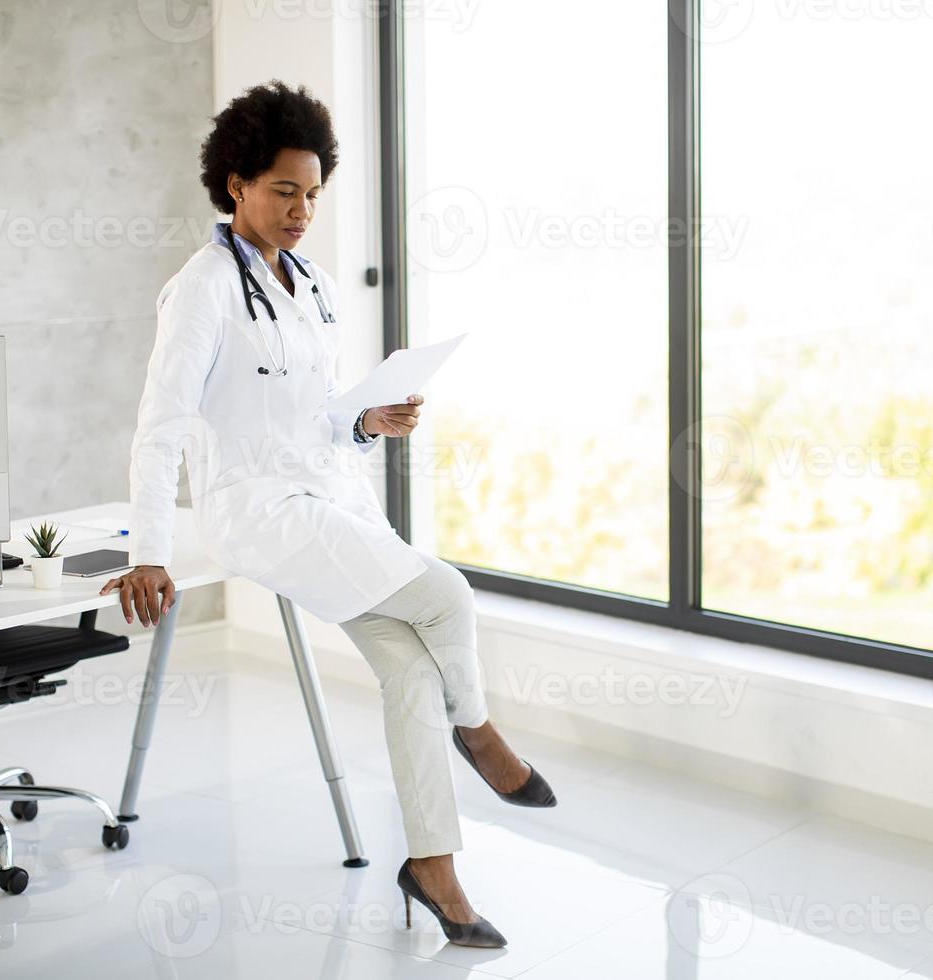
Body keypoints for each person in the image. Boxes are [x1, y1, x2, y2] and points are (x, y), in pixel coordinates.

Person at [98, 81, 555, 949]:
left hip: (326, 498)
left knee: (412, 675)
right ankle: (483, 734)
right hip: (256, 509)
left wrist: (365, 419)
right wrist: (150, 549)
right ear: (235, 183)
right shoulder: (200, 291)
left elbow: (307, 414)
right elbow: (160, 426)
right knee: (448, 596)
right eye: (284, 191)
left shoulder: (311, 284)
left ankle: (435, 871)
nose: (303, 211)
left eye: (312, 193)